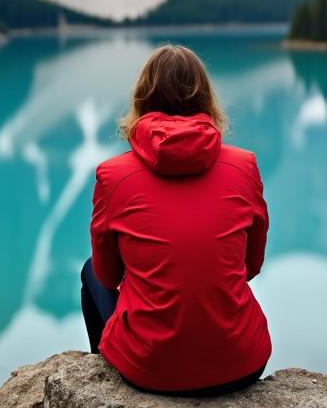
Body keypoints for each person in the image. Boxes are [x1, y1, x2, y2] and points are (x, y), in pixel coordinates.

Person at [81, 43, 271, 396]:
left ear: (142, 98)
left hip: (150, 370)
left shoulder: (112, 175)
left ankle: (102, 383)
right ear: (205, 98)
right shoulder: (245, 166)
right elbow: (251, 266)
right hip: (242, 363)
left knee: (90, 270)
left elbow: (108, 276)